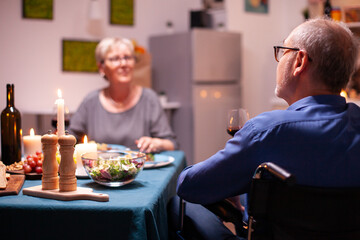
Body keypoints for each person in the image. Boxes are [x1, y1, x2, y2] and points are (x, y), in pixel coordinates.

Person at [169, 18, 360, 239]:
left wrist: (231, 179)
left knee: (177, 204)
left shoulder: (267, 131)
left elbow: (190, 186)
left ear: (299, 61)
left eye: (283, 51)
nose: (278, 62)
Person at [68, 37, 177, 153]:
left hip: (142, 170)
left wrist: (157, 143)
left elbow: (171, 143)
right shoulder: (90, 101)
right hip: (99, 170)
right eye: (115, 59)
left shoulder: (149, 99)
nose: (124, 63)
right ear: (101, 67)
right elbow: (69, 139)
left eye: (127, 57)